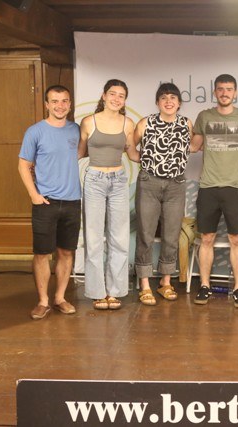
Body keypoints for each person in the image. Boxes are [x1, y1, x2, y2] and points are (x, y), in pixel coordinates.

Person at [18, 85, 81, 320]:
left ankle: (60, 298)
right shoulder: (35, 131)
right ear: (46, 104)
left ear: (70, 104)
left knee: (66, 252)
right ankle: (43, 301)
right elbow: (23, 165)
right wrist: (34, 195)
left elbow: (83, 153)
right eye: (54, 101)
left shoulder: (76, 130)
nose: (60, 106)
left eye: (64, 101)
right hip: (45, 202)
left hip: (72, 201)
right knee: (42, 253)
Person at [190, 74, 238, 308]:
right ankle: (205, 286)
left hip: (234, 187)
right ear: (215, 92)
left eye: (229, 89)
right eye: (220, 89)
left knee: (237, 239)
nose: (225, 93)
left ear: (235, 92)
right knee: (207, 238)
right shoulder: (204, 116)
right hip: (208, 187)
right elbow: (194, 146)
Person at [78, 79, 138, 311]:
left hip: (119, 180)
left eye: (121, 95)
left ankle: (115, 292)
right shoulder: (88, 122)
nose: (116, 98)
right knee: (94, 239)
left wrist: (162, 156)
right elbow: (79, 153)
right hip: (94, 179)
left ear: (125, 100)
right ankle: (97, 293)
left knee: (119, 239)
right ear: (104, 96)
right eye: (112, 94)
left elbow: (133, 154)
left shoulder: (128, 123)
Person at [133, 82, 193, 306]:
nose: (169, 101)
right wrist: (144, 161)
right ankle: (144, 284)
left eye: (173, 98)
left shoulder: (186, 123)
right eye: (164, 98)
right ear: (157, 102)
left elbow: (192, 146)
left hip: (176, 184)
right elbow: (130, 147)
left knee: (171, 234)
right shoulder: (145, 123)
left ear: (179, 103)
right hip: (149, 182)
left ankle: (165, 281)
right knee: (146, 234)